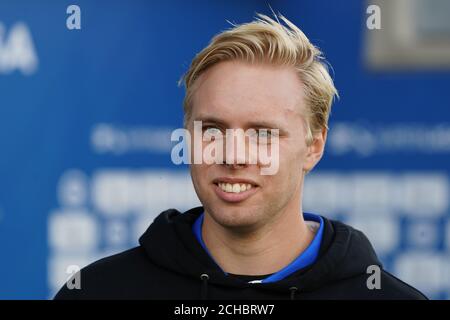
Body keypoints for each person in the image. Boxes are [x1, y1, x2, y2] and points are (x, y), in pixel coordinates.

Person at [55, 13, 427, 300]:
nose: (233, 155)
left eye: (262, 133)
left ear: (313, 146)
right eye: (213, 129)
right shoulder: (98, 292)